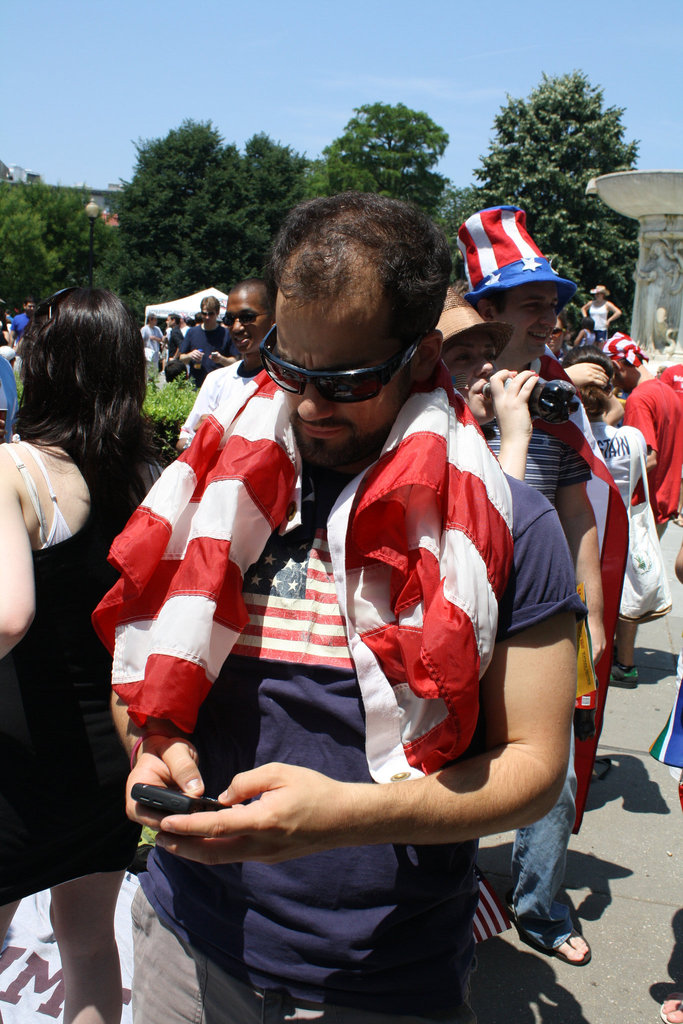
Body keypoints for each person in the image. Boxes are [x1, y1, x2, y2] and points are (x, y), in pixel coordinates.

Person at [94, 193, 580, 1024]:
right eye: (290, 368)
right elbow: (139, 669)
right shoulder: (210, 486)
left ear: (421, 355)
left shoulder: (510, 525)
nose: (311, 405)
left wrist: (344, 819)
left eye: (348, 381)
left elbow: (535, 771)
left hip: (383, 977)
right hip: (186, 943)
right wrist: (151, 746)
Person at [458, 205, 629, 965]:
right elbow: (477, 533)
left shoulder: (554, 399)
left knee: (550, 776)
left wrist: (588, 627)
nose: (550, 320)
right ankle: (445, 901)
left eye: (554, 305)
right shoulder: (445, 400)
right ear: (485, 312)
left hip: (542, 625)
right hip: (458, 627)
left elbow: (576, 528)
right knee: (449, 773)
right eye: (532, 304)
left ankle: (537, 905)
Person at [0, 288, 158, 1024]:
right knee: (91, 944)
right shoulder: (143, 481)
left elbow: (8, 617)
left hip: (17, 756)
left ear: (43, 363)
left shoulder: (15, 470)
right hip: (107, 751)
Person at [603, 333, 683, 686]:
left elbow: (645, 456)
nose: (610, 380)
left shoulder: (638, 398)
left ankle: (625, 662)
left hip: (641, 504)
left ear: (621, 365)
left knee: (627, 582)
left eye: (611, 371)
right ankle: (624, 653)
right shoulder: (668, 392)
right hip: (664, 498)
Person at [176, 279, 274, 452]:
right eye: (230, 319)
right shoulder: (216, 380)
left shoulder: (290, 384)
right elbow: (183, 440)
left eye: (247, 318)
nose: (236, 328)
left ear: (273, 319)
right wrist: (200, 439)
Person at [179, 295, 234, 387]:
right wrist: (190, 355)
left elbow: (235, 361)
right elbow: (181, 358)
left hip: (219, 385)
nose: (207, 317)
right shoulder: (192, 332)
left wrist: (221, 359)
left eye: (211, 314)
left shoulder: (226, 334)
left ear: (217, 313)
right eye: (204, 314)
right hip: (196, 385)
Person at [141, 312, 164, 379]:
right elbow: (141, 340)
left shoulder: (157, 329)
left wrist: (155, 338)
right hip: (147, 352)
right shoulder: (144, 329)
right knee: (147, 370)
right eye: (155, 320)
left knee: (154, 371)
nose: (156, 321)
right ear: (150, 320)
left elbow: (162, 339)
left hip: (155, 352)